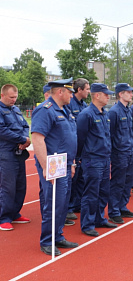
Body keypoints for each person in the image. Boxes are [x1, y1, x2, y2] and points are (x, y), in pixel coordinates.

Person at [31, 78, 79, 255]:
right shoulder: (45, 110)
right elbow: (37, 139)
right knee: (53, 203)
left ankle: (58, 236)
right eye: (70, 92)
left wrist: (72, 163)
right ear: (60, 92)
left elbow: (69, 139)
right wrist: (45, 168)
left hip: (65, 164)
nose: (72, 95)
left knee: (63, 203)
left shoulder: (65, 110)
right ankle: (47, 241)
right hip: (52, 166)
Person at [77, 83, 117, 236]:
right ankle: (87, 224)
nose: (108, 96)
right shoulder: (86, 114)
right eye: (106, 94)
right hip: (92, 160)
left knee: (103, 191)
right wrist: (81, 158)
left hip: (105, 158)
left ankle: (99, 218)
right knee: (91, 193)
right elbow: (80, 138)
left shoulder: (104, 113)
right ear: (97, 95)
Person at [0, 84, 31, 231]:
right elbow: (2, 130)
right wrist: (20, 139)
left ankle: (14, 213)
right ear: (3, 95)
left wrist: (24, 138)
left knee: (20, 185)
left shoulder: (16, 110)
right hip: (6, 153)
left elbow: (25, 125)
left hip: (19, 152)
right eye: (11, 97)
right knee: (7, 187)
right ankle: (4, 217)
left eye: (15, 97)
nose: (14, 100)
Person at [108, 83, 133, 225]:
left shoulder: (128, 111)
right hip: (119, 153)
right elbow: (111, 134)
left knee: (127, 181)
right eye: (128, 92)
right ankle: (114, 211)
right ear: (120, 94)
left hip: (129, 151)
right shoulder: (114, 111)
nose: (131, 95)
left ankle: (122, 206)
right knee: (118, 182)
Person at [67, 78, 90, 221]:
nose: (89, 91)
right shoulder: (70, 104)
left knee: (81, 177)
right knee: (72, 178)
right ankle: (68, 207)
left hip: (83, 146)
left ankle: (77, 204)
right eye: (87, 89)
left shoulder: (84, 105)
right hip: (73, 145)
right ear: (79, 90)